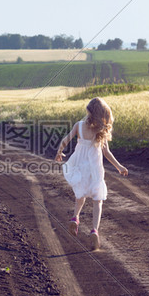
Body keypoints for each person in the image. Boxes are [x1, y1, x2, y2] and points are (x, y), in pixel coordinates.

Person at [54, 97, 128, 250]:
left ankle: (75, 218)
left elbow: (66, 139)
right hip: (94, 168)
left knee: (79, 196)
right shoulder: (100, 131)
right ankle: (94, 230)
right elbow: (106, 153)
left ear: (88, 111)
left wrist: (59, 151)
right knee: (97, 199)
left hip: (80, 166)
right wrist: (119, 167)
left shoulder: (79, 126)